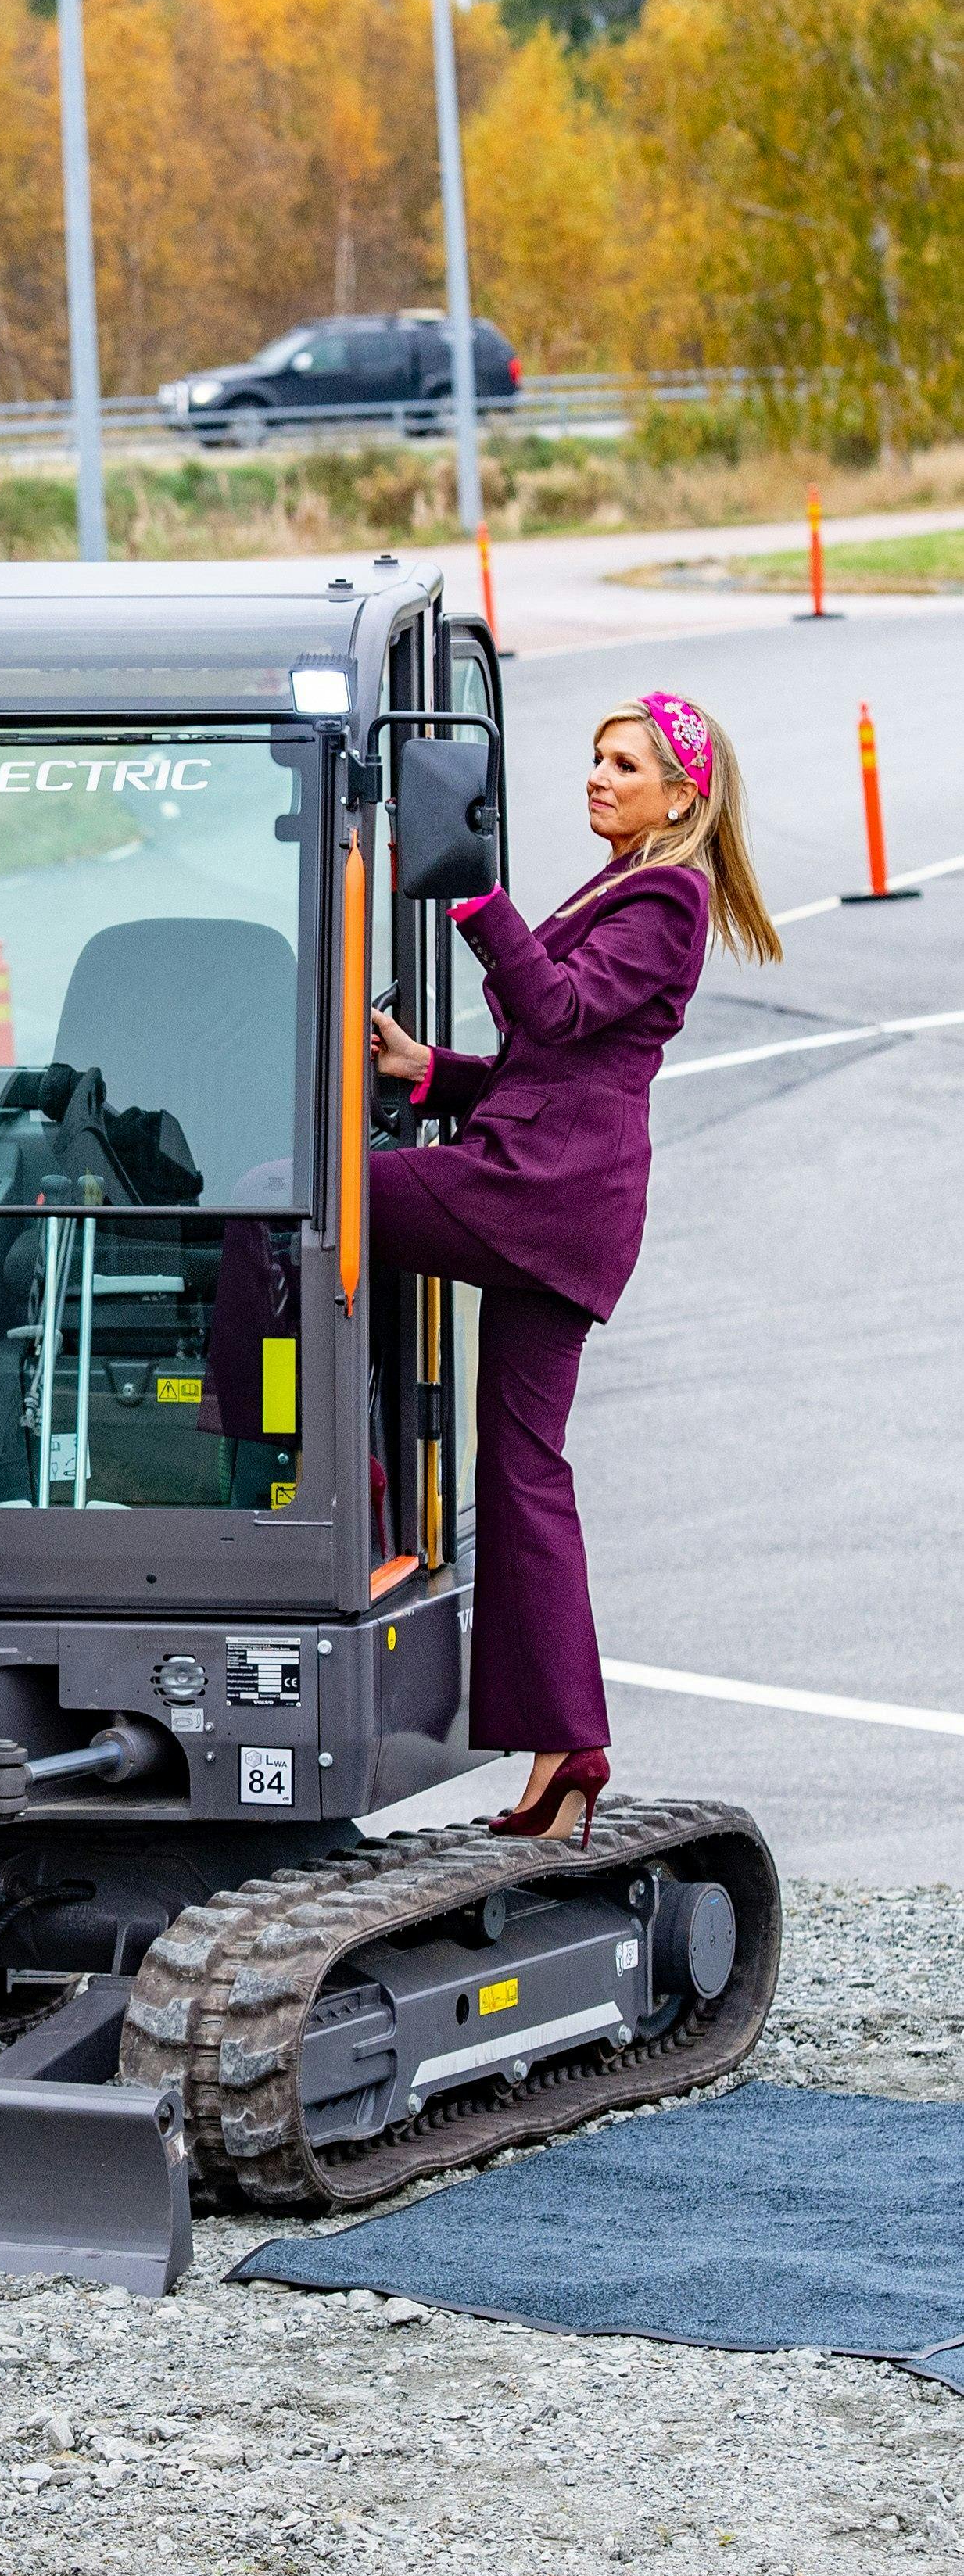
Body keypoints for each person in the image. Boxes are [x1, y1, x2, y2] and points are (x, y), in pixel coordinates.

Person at [369, 692, 782, 1844]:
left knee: (301, 1200)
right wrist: (426, 1069)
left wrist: (473, 887)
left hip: (532, 1197)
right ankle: (565, 1753)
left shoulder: (665, 893)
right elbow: (551, 1064)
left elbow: (552, 1015)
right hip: (556, 1194)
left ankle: (269, 1459)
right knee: (523, 1473)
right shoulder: (628, 884)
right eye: (595, 759)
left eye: (623, 764)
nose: (596, 777)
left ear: (677, 794)